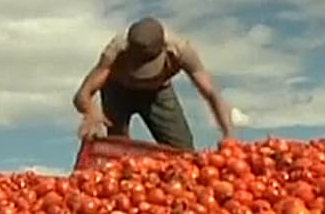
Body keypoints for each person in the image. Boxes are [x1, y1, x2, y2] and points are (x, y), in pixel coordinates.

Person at [74, 16, 235, 150]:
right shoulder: (116, 49)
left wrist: (228, 135)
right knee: (116, 146)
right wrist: (91, 111)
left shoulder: (180, 50)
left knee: (182, 149)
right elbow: (82, 94)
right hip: (118, 90)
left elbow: (211, 93)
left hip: (158, 93)